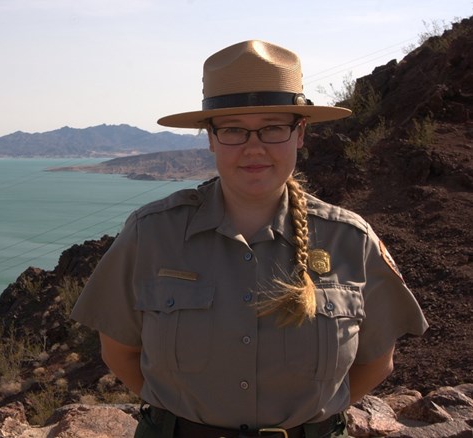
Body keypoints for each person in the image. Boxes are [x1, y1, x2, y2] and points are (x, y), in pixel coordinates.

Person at [71, 39, 428, 438]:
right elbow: (118, 352)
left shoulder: (351, 240)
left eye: (273, 128)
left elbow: (377, 362)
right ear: (210, 138)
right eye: (234, 130)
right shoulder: (152, 233)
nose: (253, 148)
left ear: (300, 134)